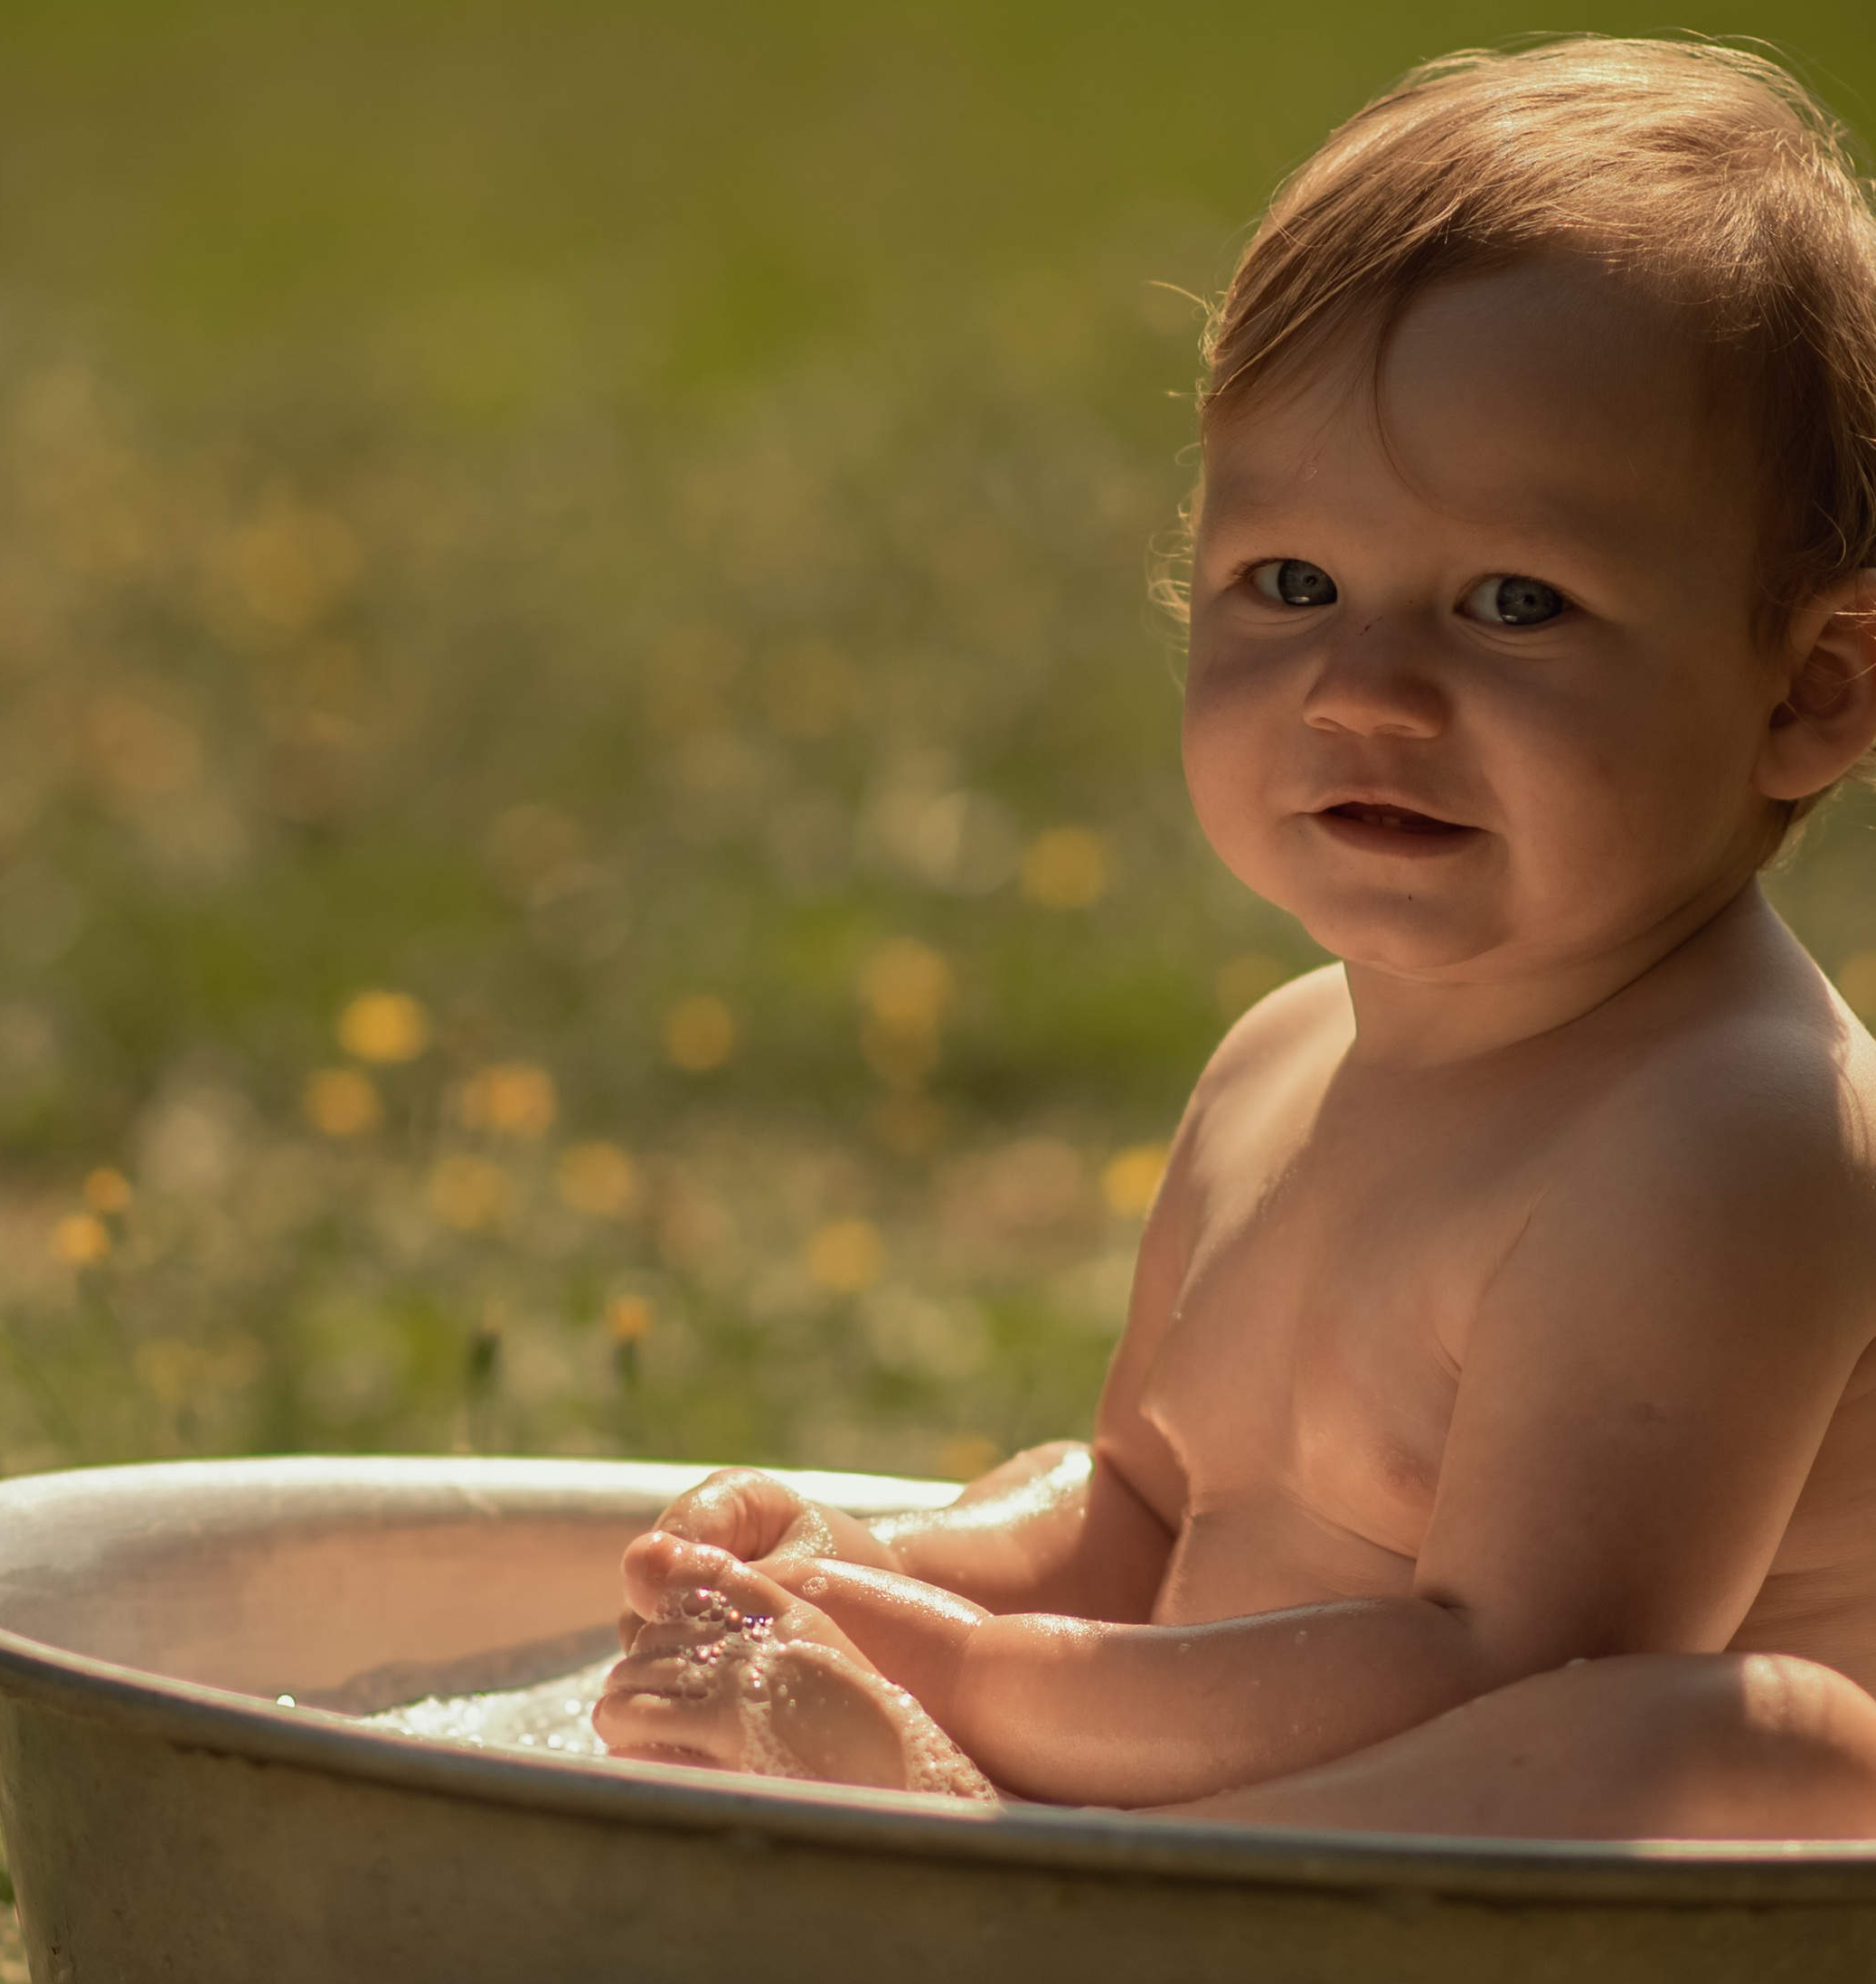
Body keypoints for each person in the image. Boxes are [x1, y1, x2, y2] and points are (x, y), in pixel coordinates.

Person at [591, 36, 1876, 1839]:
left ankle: (1004, 1839)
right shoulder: (1277, 1062)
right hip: (1256, 1861)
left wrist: (954, 1681)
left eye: (1513, 603)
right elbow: (1133, 1507)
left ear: (1807, 690)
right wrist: (874, 1566)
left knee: (1740, 1743)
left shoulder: (1728, 1129)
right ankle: (1026, 1859)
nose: (1365, 687)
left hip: (1629, 1972)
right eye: (1291, 584)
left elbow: (1510, 1665)